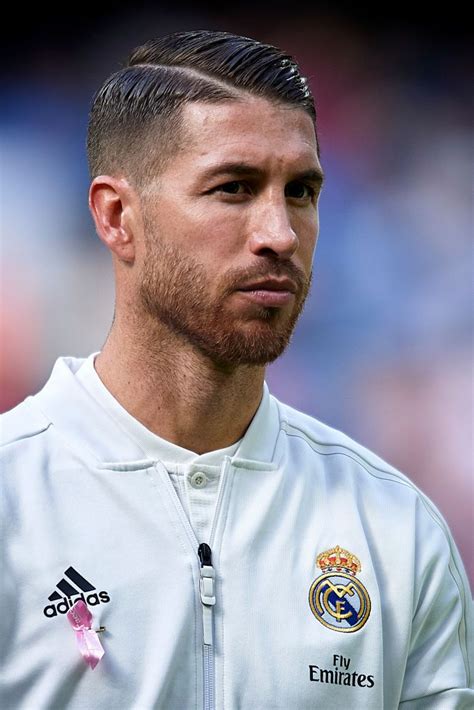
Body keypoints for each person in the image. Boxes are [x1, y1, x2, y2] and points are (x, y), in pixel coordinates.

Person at [1, 30, 472, 710]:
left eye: (302, 191)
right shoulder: (13, 499)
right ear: (116, 216)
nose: (280, 233)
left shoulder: (395, 526)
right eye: (233, 188)